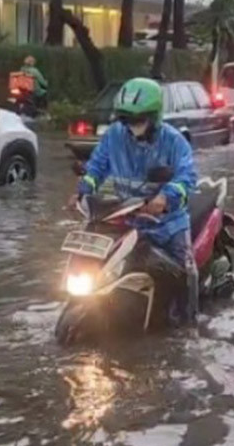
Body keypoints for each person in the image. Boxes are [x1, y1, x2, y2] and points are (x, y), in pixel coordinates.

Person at [73, 78, 199, 325]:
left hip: (168, 223)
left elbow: (188, 176)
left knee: (186, 271)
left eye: (138, 120)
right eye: (126, 120)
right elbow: (97, 166)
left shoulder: (174, 141)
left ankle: (189, 325)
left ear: (154, 117)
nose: (132, 127)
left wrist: (166, 197)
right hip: (127, 219)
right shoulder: (114, 137)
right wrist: (83, 190)